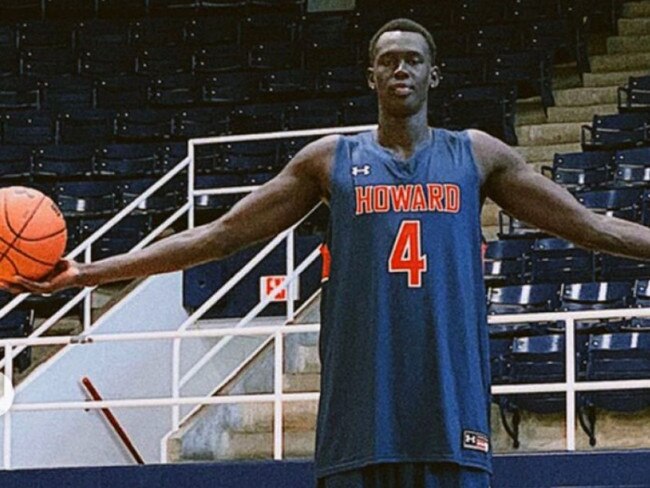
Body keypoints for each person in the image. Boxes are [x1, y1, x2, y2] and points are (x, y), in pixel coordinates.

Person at [6, 18, 650, 488]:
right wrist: (88, 273)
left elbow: (589, 226)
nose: (401, 69)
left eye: (413, 60)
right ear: (370, 74)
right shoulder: (330, 160)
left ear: (434, 73)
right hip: (357, 412)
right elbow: (217, 236)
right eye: (389, 60)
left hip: (450, 404)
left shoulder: (476, 154)